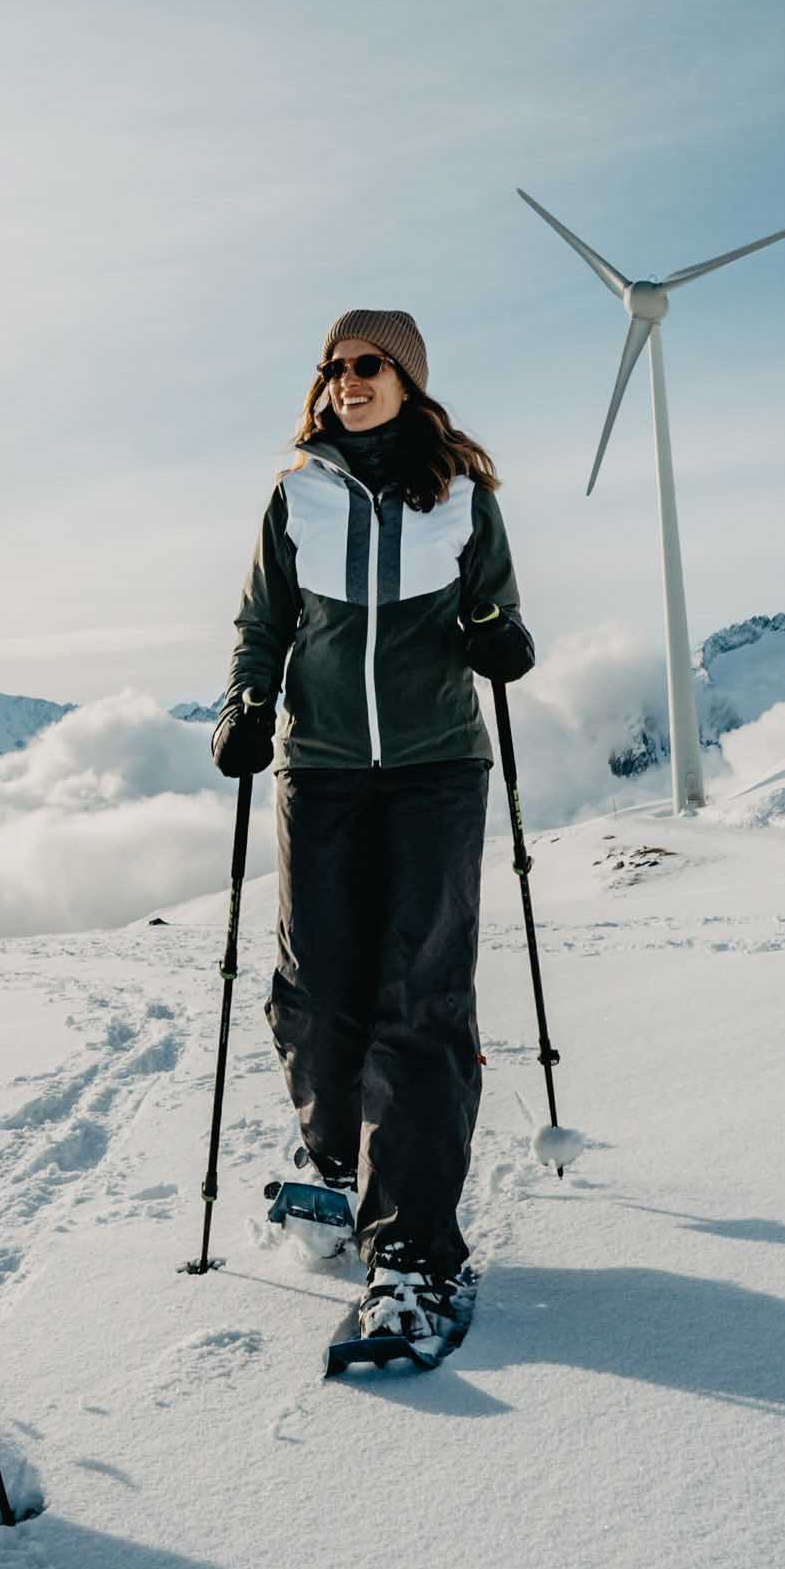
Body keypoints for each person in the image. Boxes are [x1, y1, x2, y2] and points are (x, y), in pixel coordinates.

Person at [213, 306, 534, 1361]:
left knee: (421, 997)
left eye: (369, 365)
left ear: (407, 378)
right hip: (324, 768)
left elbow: (503, 625)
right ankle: (337, 1158)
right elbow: (262, 620)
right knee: (316, 989)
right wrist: (246, 704)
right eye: (336, 367)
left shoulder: (462, 497)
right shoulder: (295, 492)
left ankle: (416, 1253)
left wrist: (496, 638)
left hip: (438, 769)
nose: (348, 380)